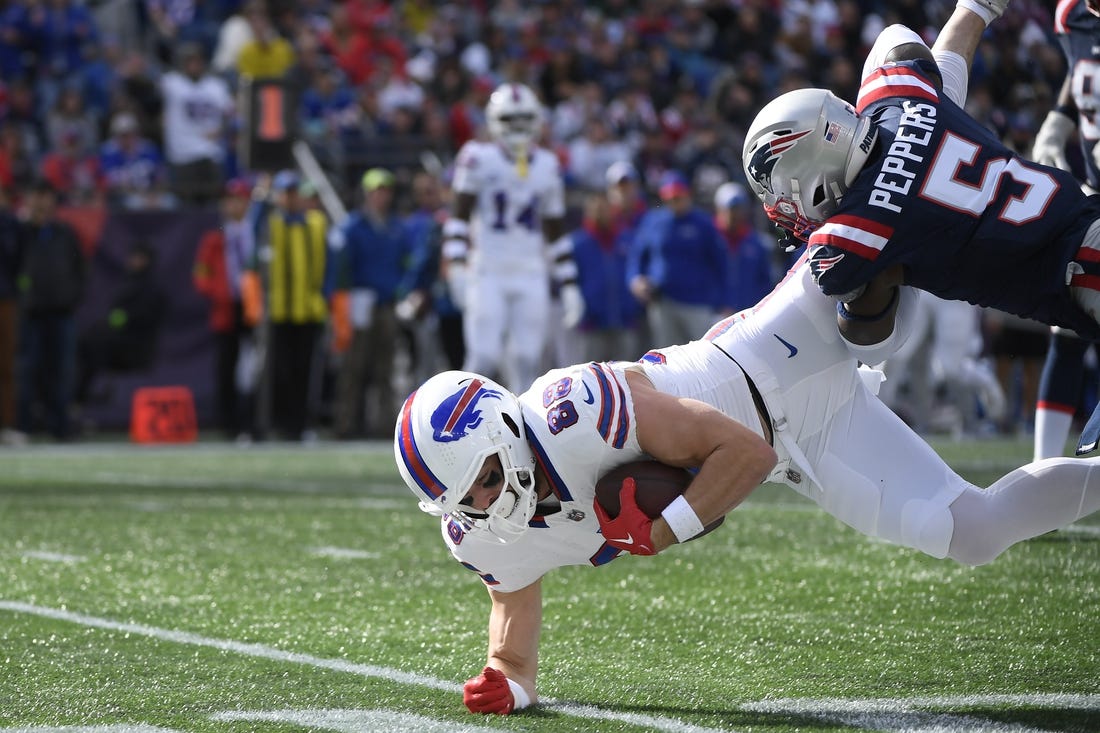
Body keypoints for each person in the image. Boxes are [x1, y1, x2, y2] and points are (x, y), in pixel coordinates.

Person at [394, 255, 1100, 716]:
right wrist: (509, 672)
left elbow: (742, 451)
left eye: (484, 478)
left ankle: (941, 45)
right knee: (973, 533)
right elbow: (511, 592)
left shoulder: (573, 412)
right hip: (806, 441)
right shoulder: (479, 530)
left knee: (897, 217)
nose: (484, 503)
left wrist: (663, 528)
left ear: (502, 430)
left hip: (779, 351)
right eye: (464, 498)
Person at [740, 2, 1100, 361]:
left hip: (1081, 269)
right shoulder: (904, 98)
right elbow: (898, 39)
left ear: (812, 172)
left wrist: (885, 271)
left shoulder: (853, 233)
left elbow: (870, 343)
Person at [442, 81, 583, 393]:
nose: (518, 127)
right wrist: (455, 266)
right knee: (483, 357)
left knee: (527, 359)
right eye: (509, 119)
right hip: (488, 270)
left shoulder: (547, 164)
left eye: (524, 119)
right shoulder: (477, 156)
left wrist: (570, 283)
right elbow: (458, 218)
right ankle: (458, 429)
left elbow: (555, 231)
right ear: (494, 120)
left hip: (531, 271)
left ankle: (522, 434)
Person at [1028, 0, 1100, 459]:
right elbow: (1082, 74)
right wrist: (1058, 120)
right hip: (1094, 192)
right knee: (1067, 326)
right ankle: (1041, 473)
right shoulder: (1072, 13)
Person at [325, 167, 414, 439]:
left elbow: (406, 264)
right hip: (360, 301)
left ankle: (386, 425)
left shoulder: (397, 228)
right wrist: (340, 300)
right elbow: (338, 267)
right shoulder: (352, 226)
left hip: (387, 303)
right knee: (354, 366)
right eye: (376, 191)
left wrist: (403, 292)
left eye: (385, 191)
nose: (381, 196)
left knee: (385, 368)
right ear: (366, 193)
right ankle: (346, 423)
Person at [627, 170, 730, 347]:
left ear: (687, 195)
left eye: (678, 197)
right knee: (665, 356)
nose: (675, 202)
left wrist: (725, 301)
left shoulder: (702, 223)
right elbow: (637, 256)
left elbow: (721, 263)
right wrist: (635, 279)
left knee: (702, 353)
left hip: (698, 301)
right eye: (670, 198)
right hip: (663, 301)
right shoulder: (654, 221)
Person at [15, 181, 86, 441]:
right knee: (26, 369)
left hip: (61, 310)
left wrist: (72, 297)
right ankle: (23, 426)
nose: (42, 202)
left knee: (62, 371)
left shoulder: (65, 232)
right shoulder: (20, 231)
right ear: (28, 199)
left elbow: (80, 269)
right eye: (37, 196)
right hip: (28, 312)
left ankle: (60, 427)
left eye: (46, 196)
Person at [193, 178, 258, 440]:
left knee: (253, 368)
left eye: (238, 199)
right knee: (227, 367)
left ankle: (253, 421)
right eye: (229, 199)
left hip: (253, 308)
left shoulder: (257, 233)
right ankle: (229, 424)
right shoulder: (215, 238)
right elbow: (200, 274)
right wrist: (217, 293)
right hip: (226, 307)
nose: (233, 204)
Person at [713, 181, 776, 313]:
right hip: (712, 312)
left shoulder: (755, 242)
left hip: (747, 313)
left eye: (739, 209)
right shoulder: (709, 238)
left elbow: (764, 281)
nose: (734, 214)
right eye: (731, 209)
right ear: (719, 209)